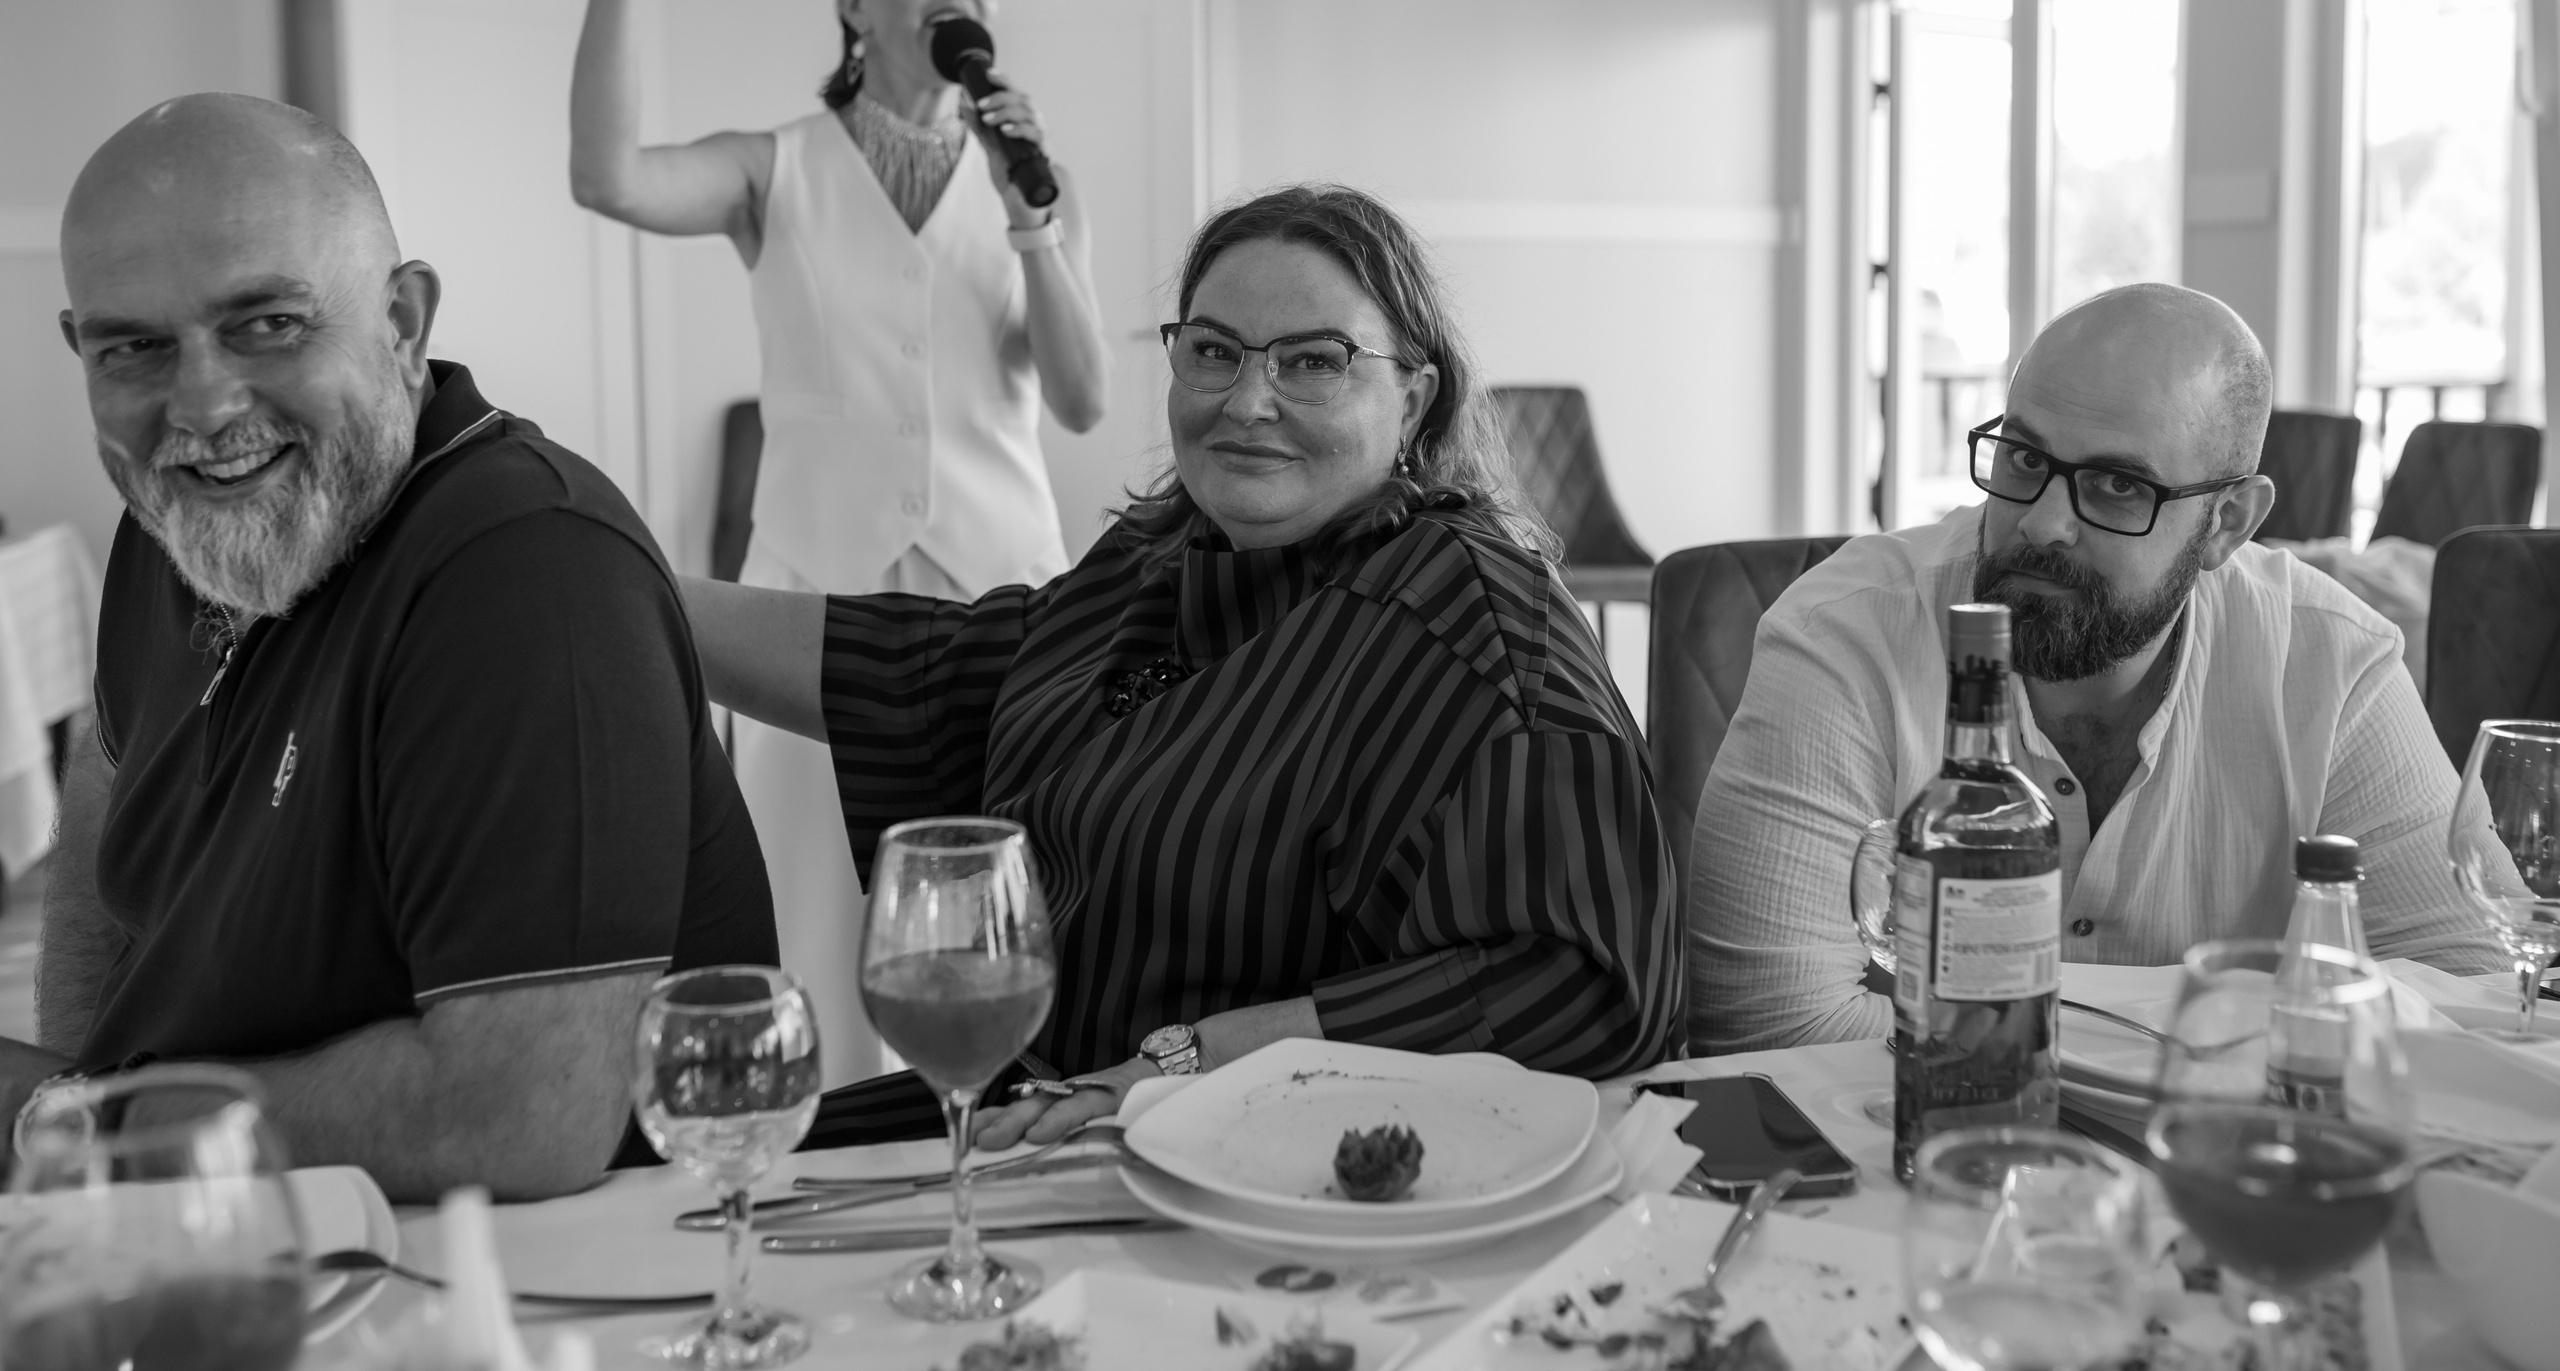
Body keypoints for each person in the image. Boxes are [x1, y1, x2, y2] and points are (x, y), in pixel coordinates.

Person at [686, 185, 1683, 1148]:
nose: (1248, 401)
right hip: (1041, 1124)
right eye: (1213, 352)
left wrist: (1191, 1063)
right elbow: (937, 672)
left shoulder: (1476, 622)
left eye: (1314, 362)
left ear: (1414, 397)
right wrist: (621, 589)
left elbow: (1592, 987)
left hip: (1261, 1176)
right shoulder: (1159, 560)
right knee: (656, 1149)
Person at [19, 93, 777, 1201]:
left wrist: (105, 1128)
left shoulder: (525, 566)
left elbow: (524, 1116)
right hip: (213, 1219)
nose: (202, 406)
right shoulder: (169, 518)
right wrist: (85, 1121)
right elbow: (110, 777)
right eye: (132, 347)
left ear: (404, 321)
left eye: (267, 323)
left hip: (521, 1286)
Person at [570, 0, 1111, 1083]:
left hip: (1003, 594)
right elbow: (608, 177)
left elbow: (1082, 401)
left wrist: (1038, 226)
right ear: (855, 0)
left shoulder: (1034, 181)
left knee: (997, 930)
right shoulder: (777, 171)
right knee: (811, 929)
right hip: (815, 600)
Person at [1687, 283, 2520, 1055]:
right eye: (2023, 459)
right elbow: (1773, 1026)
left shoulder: (2329, 661)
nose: (2042, 522)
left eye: (2118, 484)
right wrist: (2204, 1035)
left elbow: (2479, 995)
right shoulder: (1846, 635)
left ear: (2227, 522)